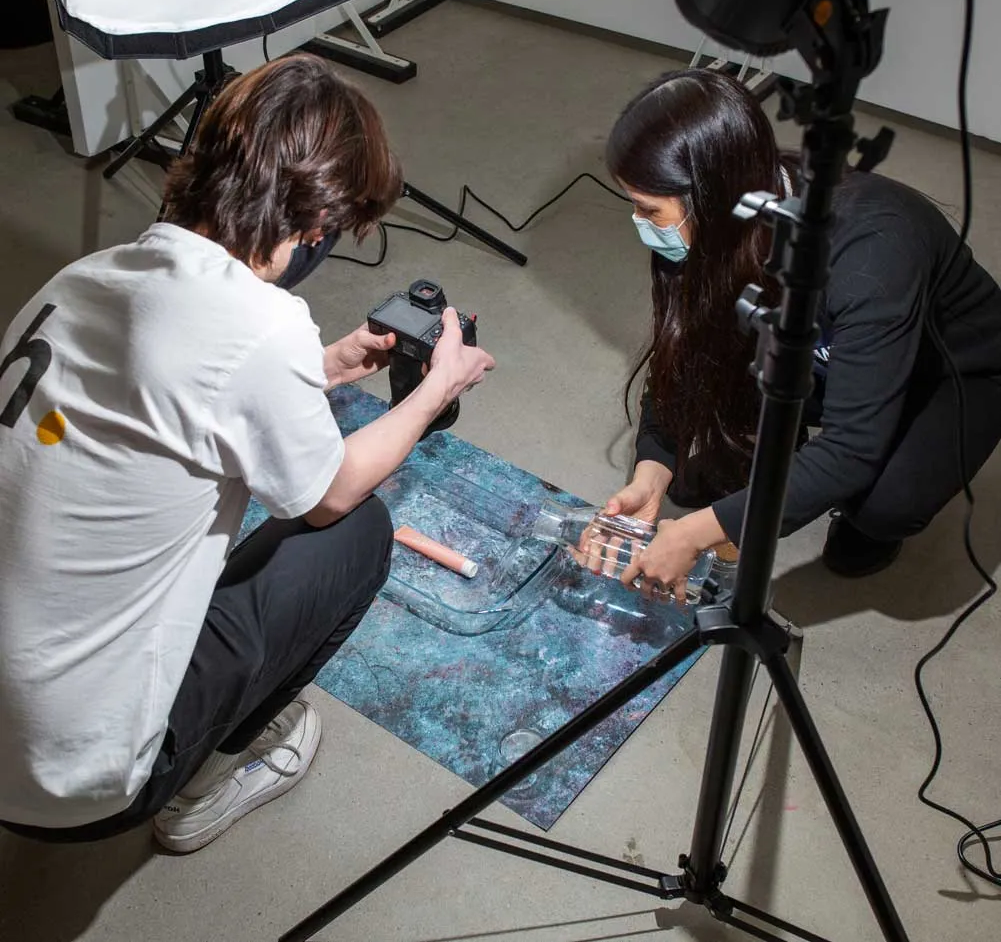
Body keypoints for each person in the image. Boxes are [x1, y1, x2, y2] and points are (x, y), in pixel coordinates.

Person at [0, 54, 495, 852]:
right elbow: (327, 495)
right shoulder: (260, 323)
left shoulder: (82, 278)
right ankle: (191, 789)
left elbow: (179, 394)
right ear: (315, 226)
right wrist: (432, 389)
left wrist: (326, 366)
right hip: (73, 779)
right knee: (357, 535)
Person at [596, 68, 1001, 602]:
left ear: (713, 200)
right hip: (822, 348)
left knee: (884, 502)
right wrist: (654, 467)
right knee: (715, 458)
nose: (640, 224)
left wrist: (697, 533)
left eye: (649, 210)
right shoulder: (721, 221)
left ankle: (869, 515)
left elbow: (854, 446)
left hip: (952, 371)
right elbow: (685, 353)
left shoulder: (873, 252)